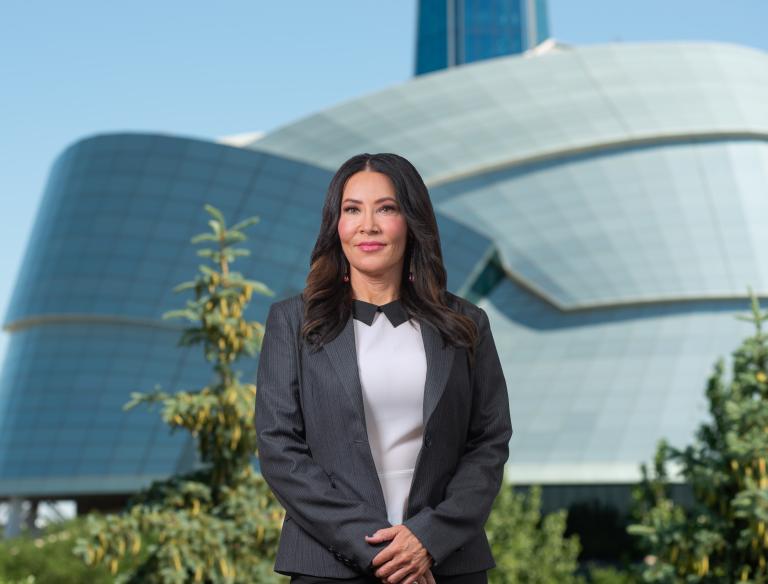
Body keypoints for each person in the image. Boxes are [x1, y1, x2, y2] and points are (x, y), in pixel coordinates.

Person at [255, 153, 513, 584]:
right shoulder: (291, 322)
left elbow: (489, 442)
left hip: (446, 564)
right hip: (330, 565)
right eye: (352, 209)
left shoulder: (467, 323)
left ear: (411, 221)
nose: (367, 225)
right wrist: (380, 549)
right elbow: (280, 449)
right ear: (336, 225)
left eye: (386, 208)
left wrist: (427, 539)